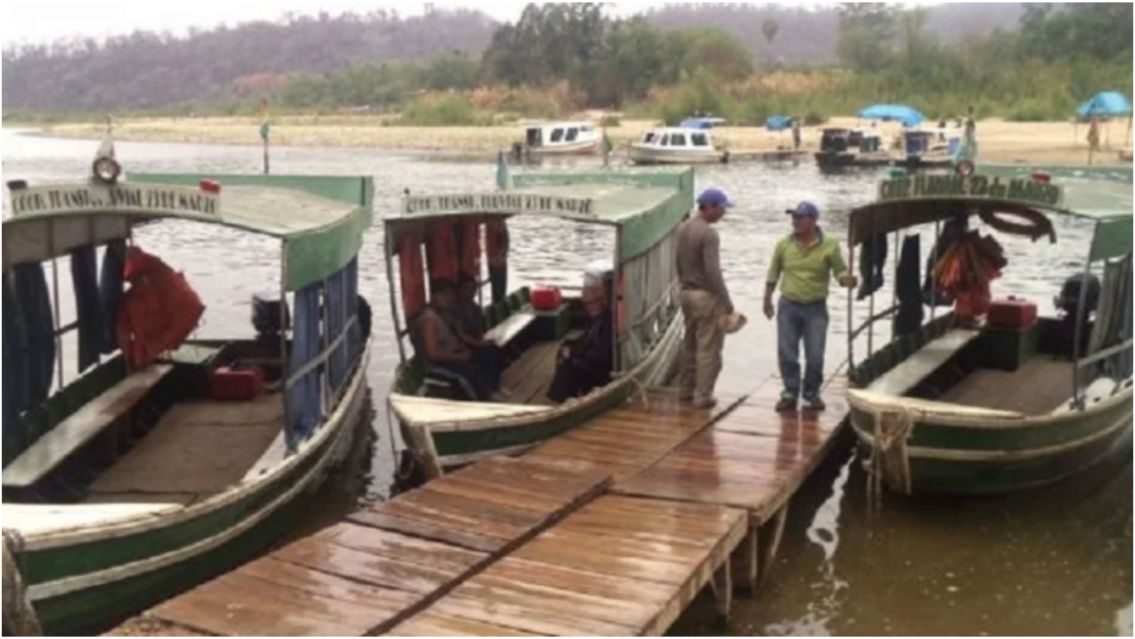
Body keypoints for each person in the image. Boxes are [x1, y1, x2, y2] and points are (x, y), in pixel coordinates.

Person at [764, 201, 856, 412]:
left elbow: (839, 271)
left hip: (815, 308)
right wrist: (767, 299)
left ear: (813, 221)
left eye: (800, 217)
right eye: (793, 217)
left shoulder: (830, 245)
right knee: (787, 352)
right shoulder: (784, 244)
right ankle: (789, 391)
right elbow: (773, 273)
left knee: (815, 354)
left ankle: (811, 392)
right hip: (788, 305)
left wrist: (847, 280)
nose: (795, 222)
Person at [676, 187, 734, 409]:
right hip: (705, 296)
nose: (723, 213)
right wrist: (726, 300)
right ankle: (703, 396)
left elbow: (678, 263)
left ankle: (685, 390)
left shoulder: (682, 228)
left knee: (689, 344)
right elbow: (713, 271)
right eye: (721, 208)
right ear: (709, 207)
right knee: (708, 348)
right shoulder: (709, 234)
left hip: (686, 293)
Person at [418, 281, 498, 401]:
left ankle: (493, 390)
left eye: (450, 296)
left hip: (457, 352)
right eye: (444, 296)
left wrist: (479, 345)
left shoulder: (447, 313)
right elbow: (432, 354)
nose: (448, 300)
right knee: (470, 372)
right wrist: (458, 357)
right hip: (442, 363)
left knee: (489, 353)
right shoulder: (430, 320)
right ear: (434, 296)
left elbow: (462, 336)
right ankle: (480, 400)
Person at [547, 283, 613, 403]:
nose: (590, 307)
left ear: (601, 301)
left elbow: (602, 355)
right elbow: (589, 340)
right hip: (594, 360)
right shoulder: (598, 319)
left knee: (568, 365)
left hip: (601, 370)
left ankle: (562, 398)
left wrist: (574, 357)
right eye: (587, 304)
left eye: (593, 302)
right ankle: (565, 397)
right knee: (565, 350)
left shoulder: (607, 323)